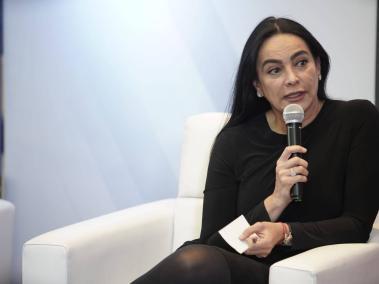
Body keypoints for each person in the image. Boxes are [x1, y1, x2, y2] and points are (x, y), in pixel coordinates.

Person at [132, 16, 379, 284]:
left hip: (299, 273)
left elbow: (357, 224)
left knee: (195, 264)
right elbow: (214, 241)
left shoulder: (356, 119)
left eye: (301, 63)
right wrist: (275, 201)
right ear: (257, 85)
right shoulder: (234, 140)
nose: (292, 79)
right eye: (275, 70)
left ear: (318, 66)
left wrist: (284, 232)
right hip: (231, 266)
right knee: (196, 261)